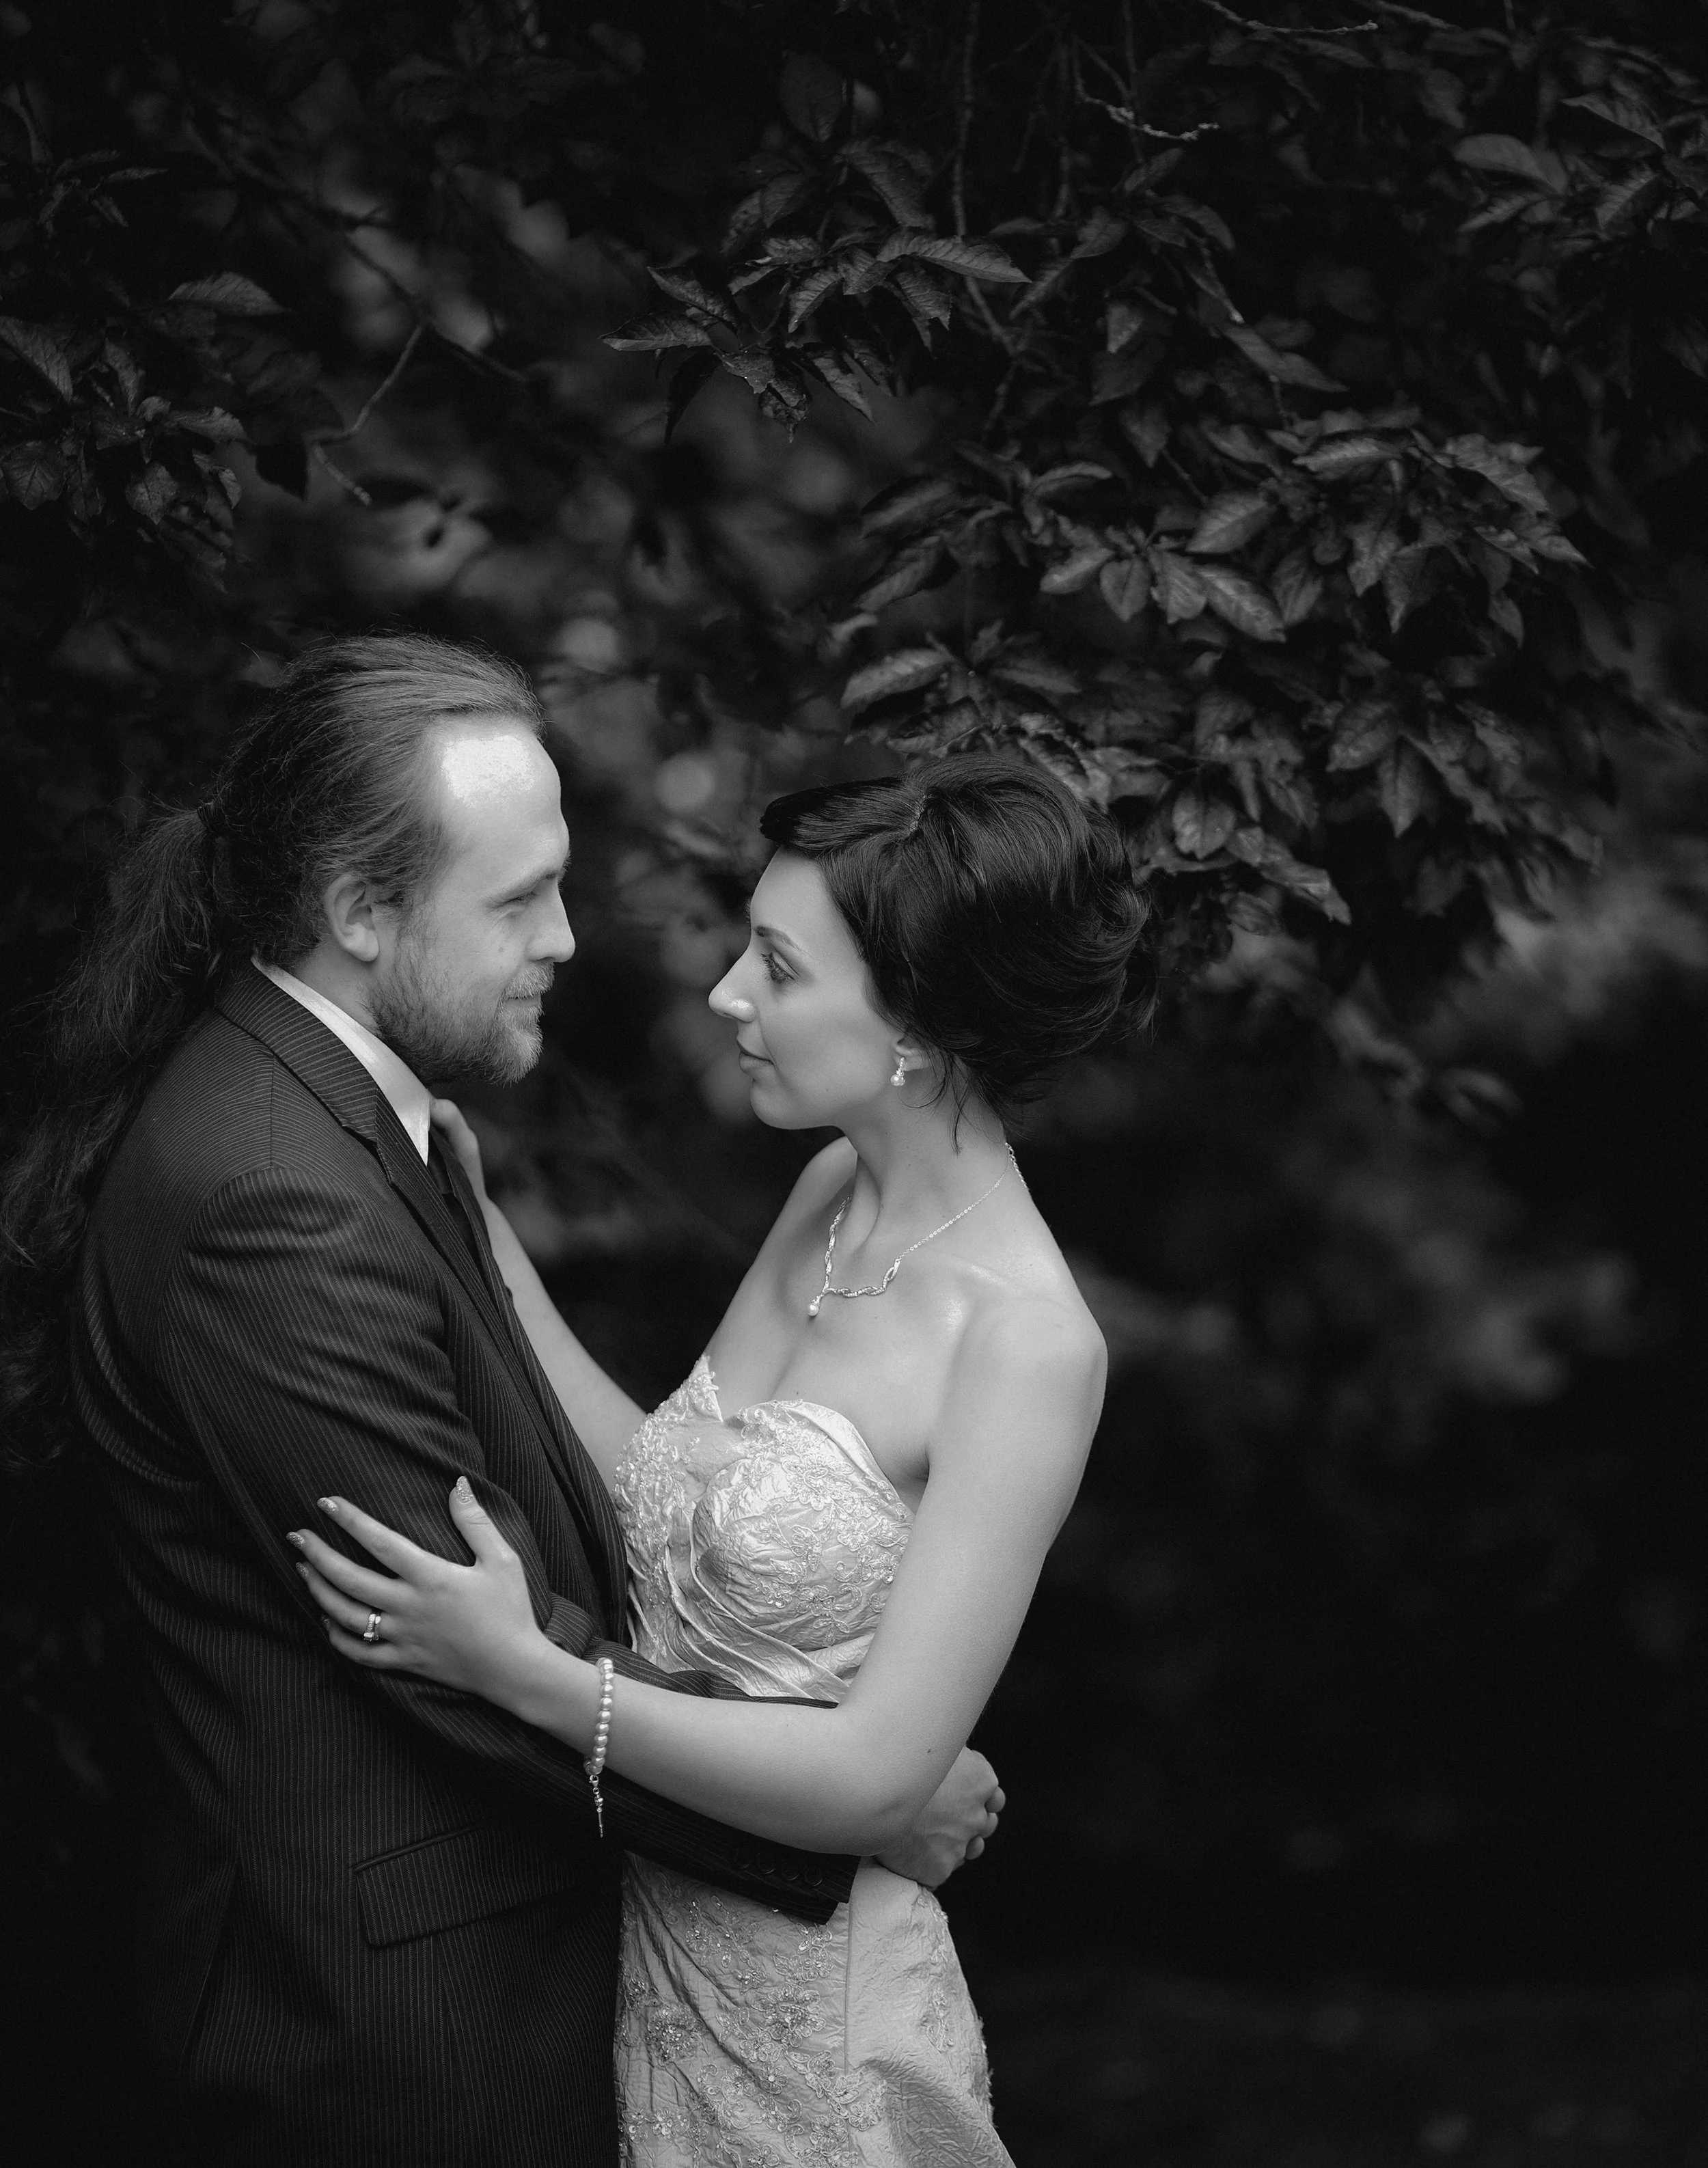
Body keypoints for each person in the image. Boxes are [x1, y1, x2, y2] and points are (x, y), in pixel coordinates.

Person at [16, 633, 999, 2167]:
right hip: (385, 2033)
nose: (563, 935)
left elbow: (589, 1506)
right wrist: (855, 1811)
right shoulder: (275, 1193)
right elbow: (451, 1662)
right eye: (516, 898)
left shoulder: (348, 1131)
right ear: (359, 908)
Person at [292, 756, 1154, 2166]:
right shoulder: (832, 1191)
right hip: (643, 1954)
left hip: (813, 2023)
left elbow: (879, 1780)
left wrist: (524, 1669)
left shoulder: (1026, 1346)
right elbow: (670, 1493)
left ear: (916, 1023)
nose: (726, 997)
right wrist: (478, 1236)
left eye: (776, 965)